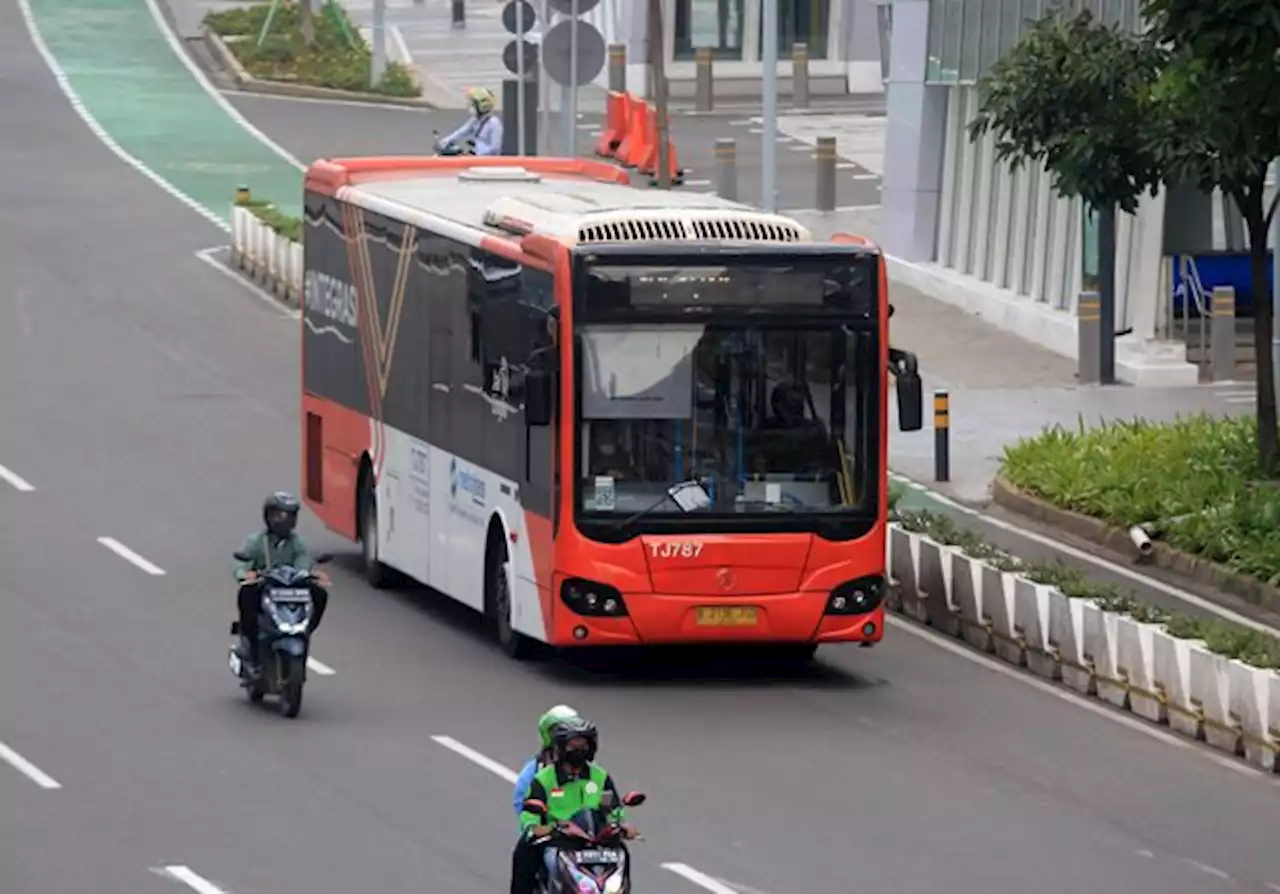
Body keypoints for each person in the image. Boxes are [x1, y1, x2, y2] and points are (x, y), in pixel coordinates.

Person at [516, 717, 636, 891]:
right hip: (559, 842)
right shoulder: (544, 780)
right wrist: (540, 828)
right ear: (561, 747)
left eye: (583, 744)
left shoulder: (599, 777)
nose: (579, 750)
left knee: (623, 855)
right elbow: (530, 815)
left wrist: (621, 826)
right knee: (524, 855)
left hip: (597, 842)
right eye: (573, 745)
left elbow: (611, 809)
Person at [234, 491, 330, 671]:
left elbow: (304, 562)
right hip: (265, 588)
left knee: (320, 594)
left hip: (291, 589)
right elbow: (242, 564)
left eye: (289, 516)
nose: (284, 520)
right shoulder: (256, 541)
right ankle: (251, 647)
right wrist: (247, 574)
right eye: (279, 515)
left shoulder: (298, 543)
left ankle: (305, 631)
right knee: (246, 594)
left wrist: (311, 575)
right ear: (268, 516)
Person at [509, 705, 582, 894]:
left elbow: (606, 798)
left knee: (621, 854)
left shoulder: (591, 770)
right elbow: (521, 803)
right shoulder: (535, 770)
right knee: (523, 856)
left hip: (585, 834)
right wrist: (535, 826)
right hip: (551, 834)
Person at [437, 87, 504, 157]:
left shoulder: (494, 123)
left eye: (472, 104)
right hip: (475, 157)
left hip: (487, 161)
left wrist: (476, 155)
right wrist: (444, 142)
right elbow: (460, 133)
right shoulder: (475, 120)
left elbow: (495, 149)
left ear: (482, 106)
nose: (469, 106)